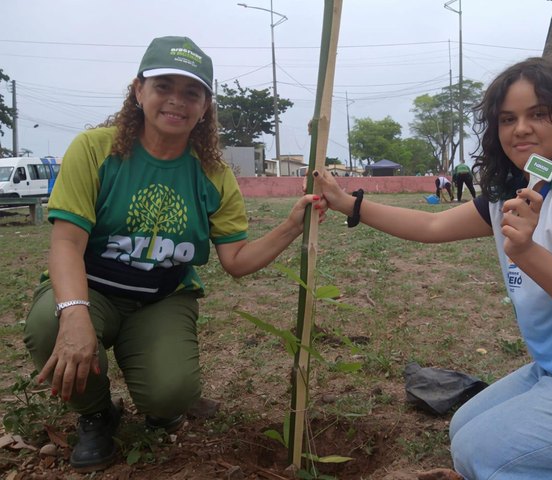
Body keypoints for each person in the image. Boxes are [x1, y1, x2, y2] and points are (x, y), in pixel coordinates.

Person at [313, 57, 552, 479]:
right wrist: (348, 204)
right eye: (507, 118)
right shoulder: (516, 191)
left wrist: (528, 253)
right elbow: (431, 224)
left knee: (478, 454)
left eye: (538, 113)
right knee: (464, 425)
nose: (520, 128)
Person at [23, 36, 326, 473]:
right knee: (49, 324)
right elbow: (67, 243)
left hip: (162, 298)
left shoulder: (214, 175)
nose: (176, 101)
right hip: (91, 289)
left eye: (191, 92)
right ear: (138, 90)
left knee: (170, 394)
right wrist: (75, 313)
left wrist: (291, 226)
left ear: (206, 106)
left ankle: (160, 394)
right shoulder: (95, 150)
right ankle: (96, 414)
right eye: (163, 86)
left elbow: (237, 261)